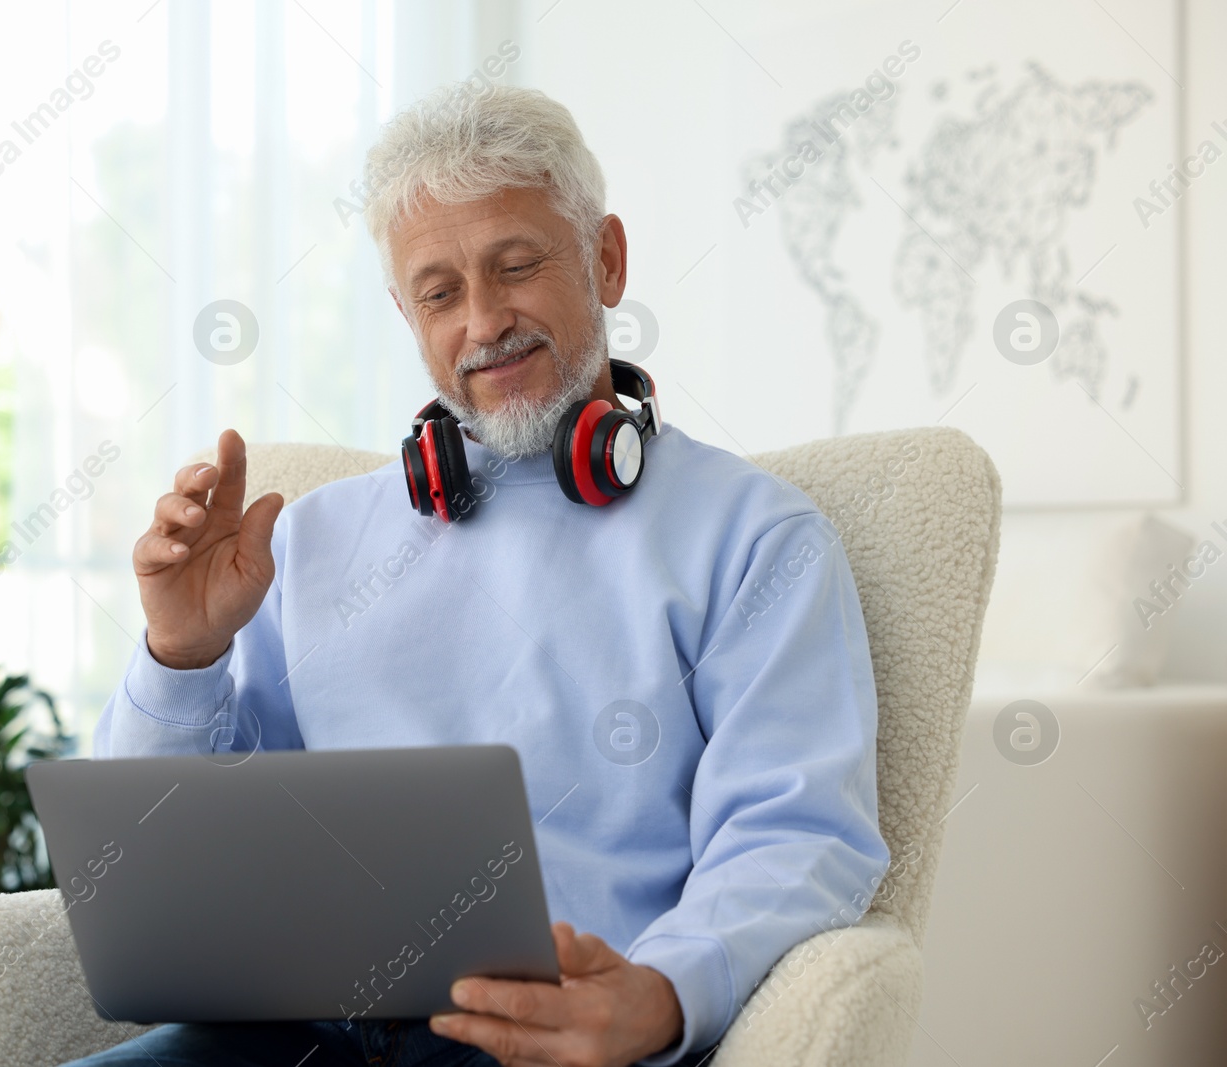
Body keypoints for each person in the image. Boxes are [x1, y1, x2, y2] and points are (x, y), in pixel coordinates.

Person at [66, 84, 888, 1067]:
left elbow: (799, 831)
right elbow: (163, 868)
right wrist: (183, 652)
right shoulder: (306, 538)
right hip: (288, 1033)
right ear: (407, 314)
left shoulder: (756, 536)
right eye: (440, 291)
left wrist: (657, 996)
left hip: (549, 1041)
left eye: (517, 265)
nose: (485, 321)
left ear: (607, 259)